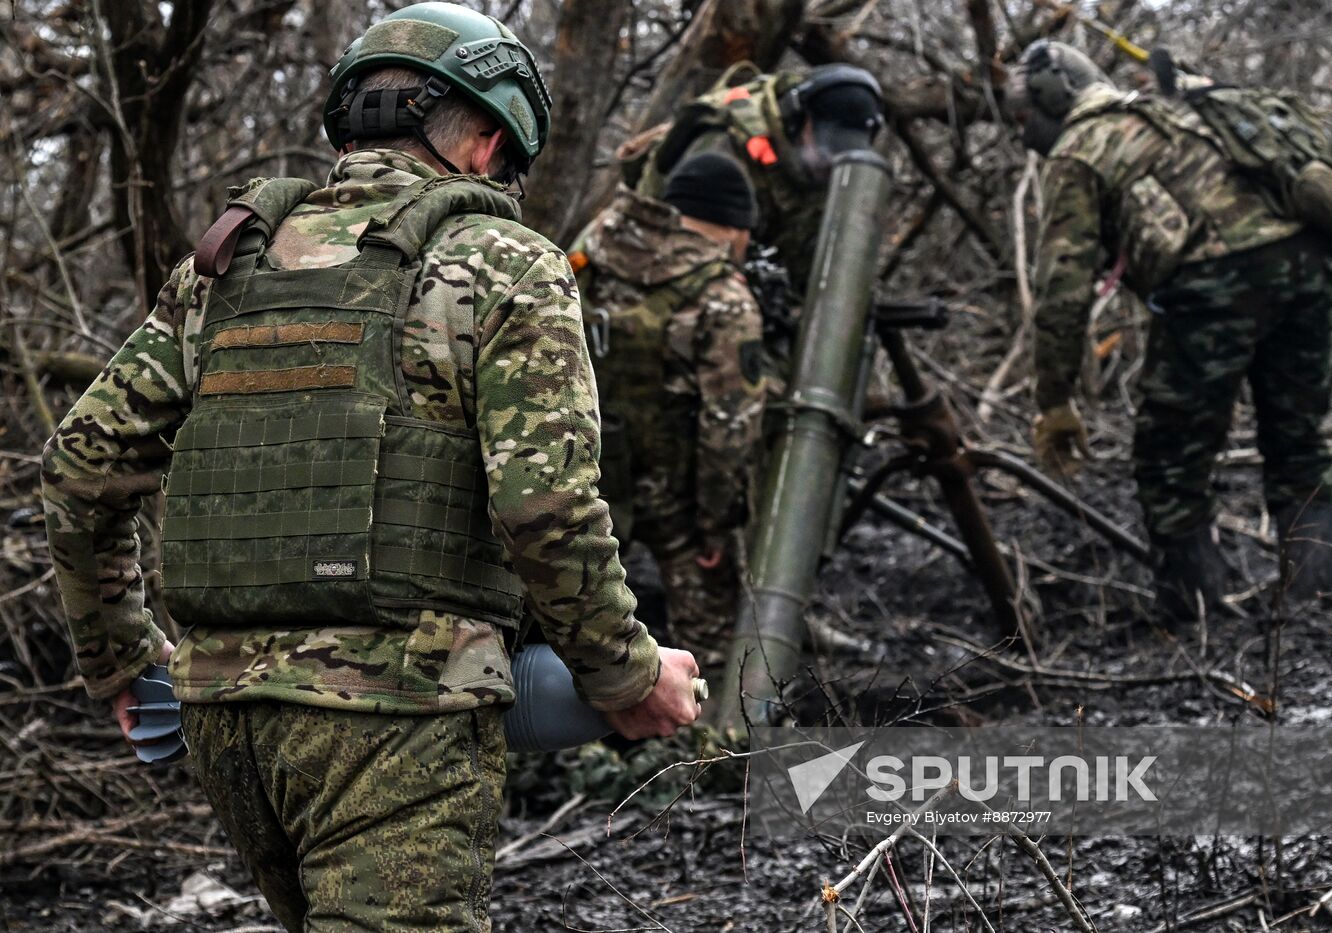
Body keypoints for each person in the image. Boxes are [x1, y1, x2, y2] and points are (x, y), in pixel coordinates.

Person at [40, 4, 700, 930]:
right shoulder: (503, 263)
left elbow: (79, 462)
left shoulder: (228, 266)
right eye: (510, 158)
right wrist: (628, 676)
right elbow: (545, 506)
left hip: (226, 718)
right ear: (483, 139)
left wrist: (118, 656)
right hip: (397, 722)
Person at [1009, 40, 1332, 621]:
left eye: (1024, 114)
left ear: (1052, 96)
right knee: (1297, 442)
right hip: (1307, 260)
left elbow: (1062, 289)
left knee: (1169, 461)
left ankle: (1193, 617)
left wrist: (1055, 399)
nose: (1024, 132)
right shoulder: (1173, 109)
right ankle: (1316, 599)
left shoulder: (1080, 149)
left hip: (1215, 284)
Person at [572, 153, 766, 664]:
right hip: (674, 498)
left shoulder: (596, 242)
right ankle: (701, 739)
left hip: (579, 474)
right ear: (732, 225)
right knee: (714, 645)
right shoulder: (723, 297)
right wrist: (717, 527)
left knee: (564, 620)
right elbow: (728, 431)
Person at [626, 63, 884, 292]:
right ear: (798, 119)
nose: (830, 163)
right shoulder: (724, 149)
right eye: (828, 147)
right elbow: (685, 258)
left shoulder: (830, 171)